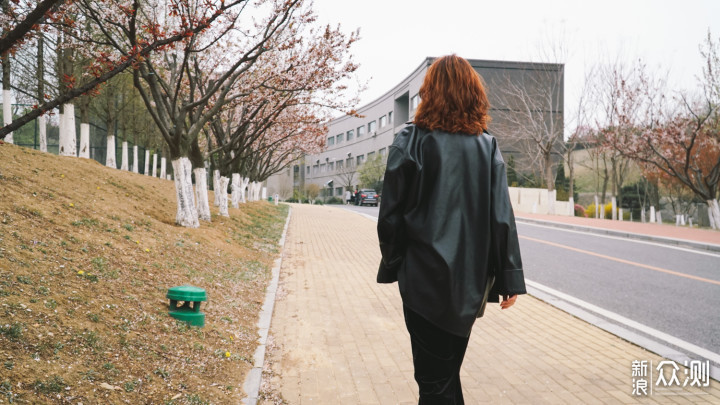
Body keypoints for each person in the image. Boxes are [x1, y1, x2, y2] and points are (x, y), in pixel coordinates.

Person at [377, 55, 526, 404]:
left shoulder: (410, 140)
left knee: (433, 383)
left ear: (430, 93)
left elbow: (390, 217)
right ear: (472, 95)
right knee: (443, 377)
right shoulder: (486, 146)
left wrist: (397, 262)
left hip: (422, 282)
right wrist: (509, 278)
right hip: (468, 286)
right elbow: (501, 218)